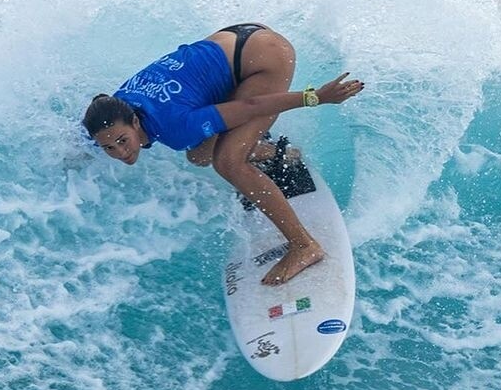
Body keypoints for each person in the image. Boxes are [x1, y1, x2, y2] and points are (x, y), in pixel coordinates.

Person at [82, 23, 364, 286]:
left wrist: (315, 97)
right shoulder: (112, 112)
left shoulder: (175, 126)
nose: (120, 151)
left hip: (265, 58)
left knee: (227, 162)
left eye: (122, 141)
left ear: (134, 122)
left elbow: (251, 106)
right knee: (199, 154)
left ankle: (304, 246)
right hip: (232, 41)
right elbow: (92, 134)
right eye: (109, 147)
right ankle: (268, 151)